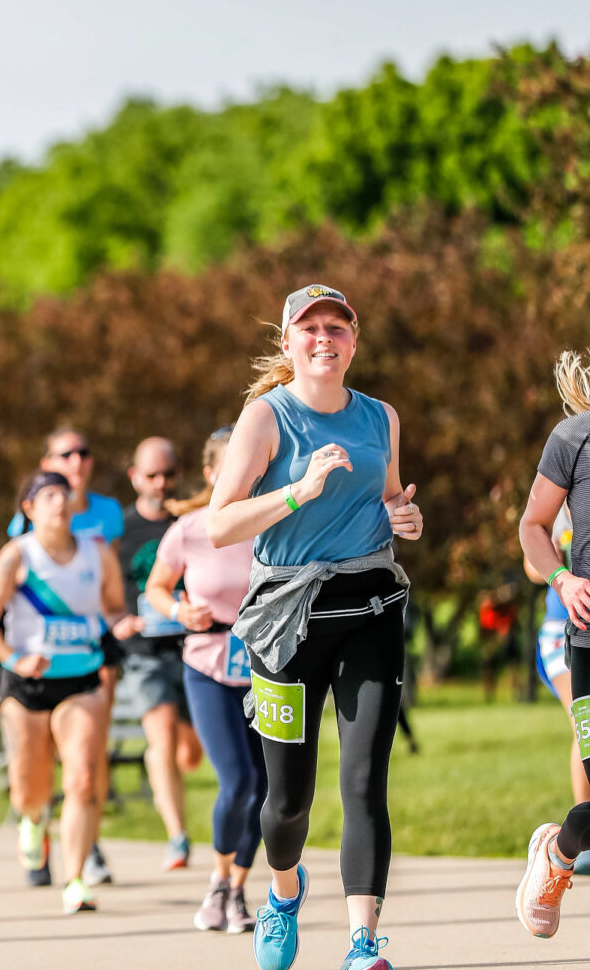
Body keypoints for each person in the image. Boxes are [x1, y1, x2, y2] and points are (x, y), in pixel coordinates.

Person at [208, 285, 422, 970]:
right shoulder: (265, 419)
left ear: (354, 340)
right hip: (286, 622)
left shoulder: (381, 416)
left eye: (338, 326)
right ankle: (282, 890)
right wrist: (298, 490)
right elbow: (219, 525)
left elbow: (389, 496)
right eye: (310, 327)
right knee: (287, 803)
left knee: (364, 783)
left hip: (370, 610)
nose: (324, 337)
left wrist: (403, 517)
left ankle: (363, 943)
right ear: (287, 342)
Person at [0, 471, 124, 916]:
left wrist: (122, 623)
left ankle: (75, 879)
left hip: (82, 678)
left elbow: (112, 606)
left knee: (83, 778)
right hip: (26, 685)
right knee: (29, 788)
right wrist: (15, 659)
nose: (59, 501)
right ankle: (33, 821)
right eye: (47, 495)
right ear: (30, 509)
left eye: (64, 494)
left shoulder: (97, 554)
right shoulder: (17, 557)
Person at [146, 426, 266, 933]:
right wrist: (177, 608)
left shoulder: (274, 523)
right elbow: (155, 586)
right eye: (233, 467)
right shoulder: (190, 529)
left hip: (267, 668)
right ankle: (218, 881)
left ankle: (235, 890)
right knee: (236, 780)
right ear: (213, 472)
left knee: (265, 790)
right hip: (208, 665)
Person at [517, 348, 590, 939]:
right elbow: (531, 528)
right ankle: (561, 854)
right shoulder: (573, 438)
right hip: (582, 634)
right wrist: (563, 577)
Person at [111, 436, 202, 871]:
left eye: (168, 474)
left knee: (190, 755)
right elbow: (106, 588)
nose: (161, 482)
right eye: (151, 475)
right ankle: (177, 837)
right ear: (134, 478)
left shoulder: (190, 523)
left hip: (193, 648)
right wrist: (120, 619)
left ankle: (178, 827)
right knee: (161, 738)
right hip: (143, 651)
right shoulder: (120, 531)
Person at [524, 504, 590, 873]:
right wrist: (559, 566)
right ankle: (580, 846)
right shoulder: (558, 500)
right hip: (560, 634)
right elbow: (531, 567)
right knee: (586, 723)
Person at [7, 428, 126, 542]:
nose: (77, 462)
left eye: (83, 453)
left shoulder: (110, 510)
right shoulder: (28, 517)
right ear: (46, 464)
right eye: (66, 455)